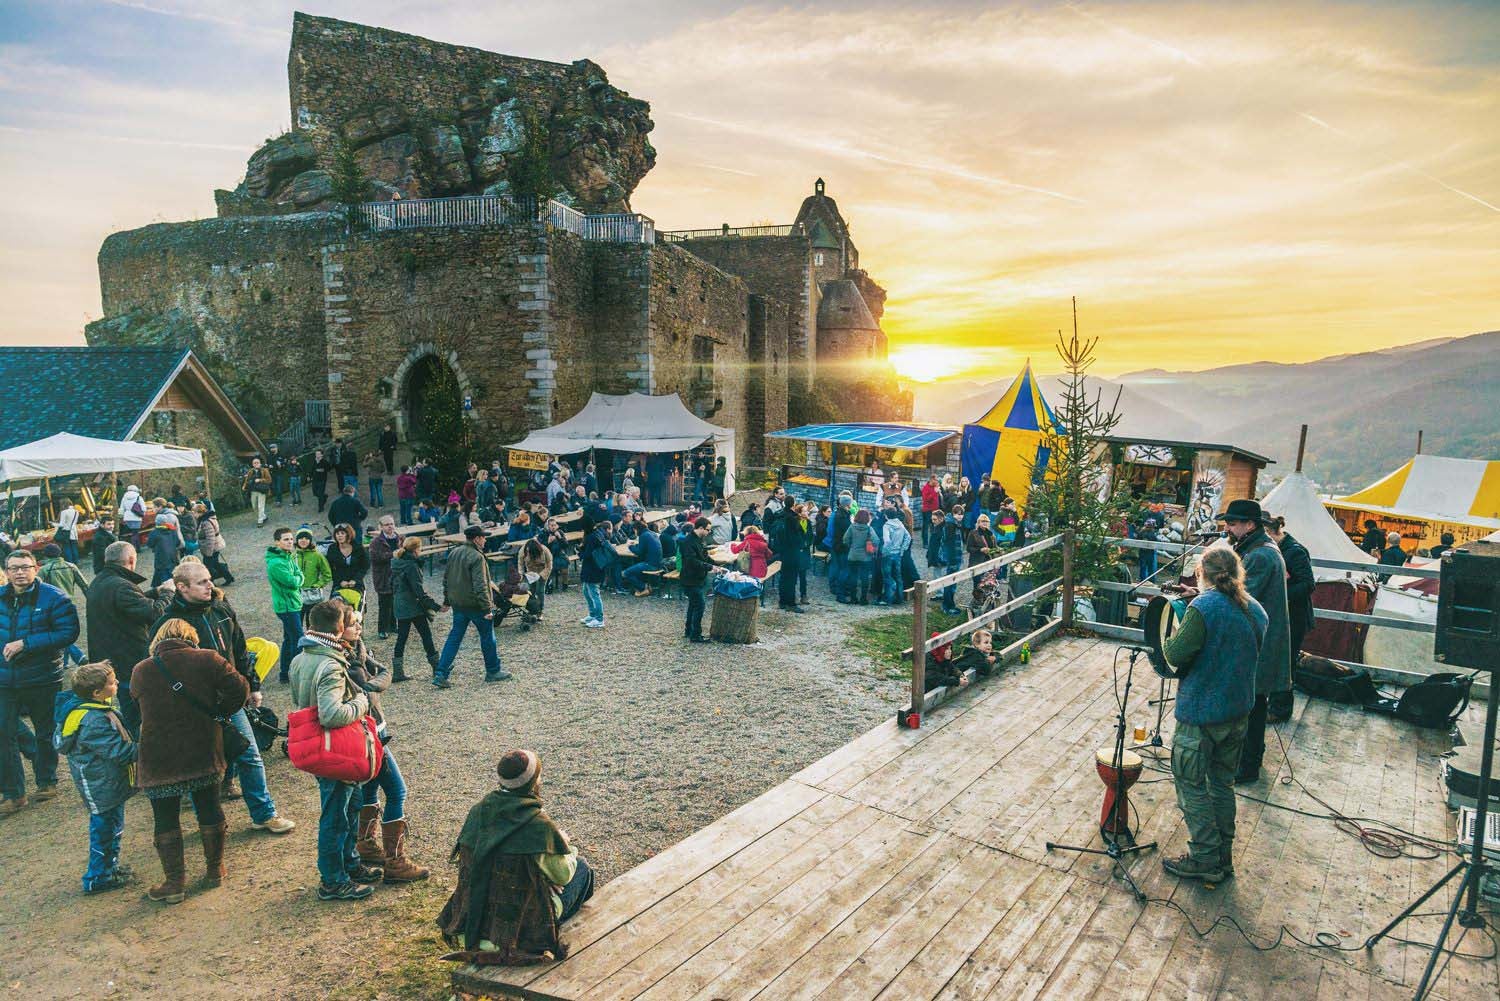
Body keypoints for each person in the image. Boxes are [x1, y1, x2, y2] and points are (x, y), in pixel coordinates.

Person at [155, 559, 295, 834]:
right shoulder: (168, 624)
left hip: (230, 700)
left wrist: (252, 685)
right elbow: (159, 665)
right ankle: (208, 825)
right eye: (202, 582)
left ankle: (264, 814)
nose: (210, 585)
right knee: (203, 766)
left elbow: (240, 650)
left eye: (209, 579)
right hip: (195, 707)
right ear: (182, 587)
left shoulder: (221, 609)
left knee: (249, 754)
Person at [1159, 546, 1267, 884]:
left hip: (1201, 714)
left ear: (1201, 573)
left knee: (1191, 784)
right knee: (1221, 784)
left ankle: (1204, 857)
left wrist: (1171, 633)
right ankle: (1223, 857)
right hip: (1237, 712)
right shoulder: (1256, 609)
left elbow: (1176, 654)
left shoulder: (1203, 607)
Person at [130, 618, 250, 903]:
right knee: (209, 806)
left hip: (158, 755)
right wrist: (219, 711)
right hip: (203, 746)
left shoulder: (141, 670)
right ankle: (214, 870)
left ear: (157, 641)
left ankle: (174, 883)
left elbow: (135, 704)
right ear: (191, 638)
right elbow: (241, 689)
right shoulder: (208, 659)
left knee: (165, 817)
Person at [438, 749, 596, 962]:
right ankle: (545, 936)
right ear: (533, 782)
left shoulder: (477, 812)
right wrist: (564, 845)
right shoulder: (538, 825)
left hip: (472, 929)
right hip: (519, 934)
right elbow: (564, 875)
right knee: (582, 868)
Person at [288, 600, 379, 901]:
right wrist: (361, 703)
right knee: (337, 816)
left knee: (349, 808)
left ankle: (349, 864)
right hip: (335, 749)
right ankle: (333, 880)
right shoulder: (330, 665)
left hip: (317, 746)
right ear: (339, 628)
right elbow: (331, 714)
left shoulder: (301, 657)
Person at [340, 609, 428, 883]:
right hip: (369, 734)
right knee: (397, 790)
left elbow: (383, 674)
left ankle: (365, 842)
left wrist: (376, 681)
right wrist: (376, 682)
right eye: (353, 624)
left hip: (375, 728)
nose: (359, 628)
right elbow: (370, 686)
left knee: (370, 788)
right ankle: (395, 861)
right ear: (338, 628)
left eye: (359, 623)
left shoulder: (357, 650)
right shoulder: (347, 661)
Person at [1216, 499, 1290, 785]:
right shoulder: (1257, 548)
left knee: (1254, 705)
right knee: (1253, 703)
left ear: (1250, 525)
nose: (1228, 528)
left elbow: (1242, 597)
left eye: (1233, 523)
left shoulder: (1260, 555)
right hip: (1259, 639)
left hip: (1260, 643)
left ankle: (1248, 766)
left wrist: (1206, 595)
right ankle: (1246, 760)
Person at [0, 547, 79, 815]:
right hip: (5, 680)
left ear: (36, 568)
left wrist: (26, 643)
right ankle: (14, 793)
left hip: (42, 677)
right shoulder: (0, 597)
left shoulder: (54, 598)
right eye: (14, 568)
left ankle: (47, 781)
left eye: (25, 567)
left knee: (45, 732)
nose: (20, 573)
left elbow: (68, 632)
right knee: (3, 734)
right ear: (7, 572)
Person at [54, 661, 137, 894]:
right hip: (100, 786)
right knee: (104, 832)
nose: (117, 683)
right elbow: (118, 751)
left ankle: (109, 869)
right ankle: (97, 878)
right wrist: (147, 749)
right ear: (96, 693)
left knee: (112, 828)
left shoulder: (89, 709)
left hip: (106, 783)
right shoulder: (92, 720)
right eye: (112, 682)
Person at [85, 541, 173, 738]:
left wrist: (154, 592)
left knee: (132, 710)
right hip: (127, 660)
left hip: (111, 659)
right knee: (140, 714)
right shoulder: (121, 585)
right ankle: (143, 748)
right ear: (132, 560)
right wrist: (168, 593)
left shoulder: (101, 581)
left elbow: (123, 604)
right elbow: (154, 613)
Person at [435, 525, 509, 687]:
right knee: (488, 637)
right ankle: (493, 670)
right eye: (483, 537)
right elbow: (480, 585)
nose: (485, 540)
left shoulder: (454, 552)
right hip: (475, 605)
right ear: (476, 539)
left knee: (454, 638)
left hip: (458, 604)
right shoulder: (477, 557)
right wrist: (487, 608)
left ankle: (440, 672)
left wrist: (447, 600)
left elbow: (446, 579)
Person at [1265, 514, 1314, 722]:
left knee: (1285, 663)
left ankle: (1280, 709)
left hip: (1294, 617)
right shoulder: (1278, 549)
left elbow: (1308, 584)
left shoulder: (1295, 551)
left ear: (1270, 531)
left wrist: (1278, 591)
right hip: (1281, 615)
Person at [391, 536, 441, 682]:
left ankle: (397, 672)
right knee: (426, 635)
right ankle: (437, 668)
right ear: (416, 550)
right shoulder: (412, 566)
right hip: (413, 606)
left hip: (400, 604)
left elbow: (391, 584)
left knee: (402, 638)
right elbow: (419, 591)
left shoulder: (397, 562)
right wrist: (436, 606)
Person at [265, 528, 307, 685]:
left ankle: (285, 673)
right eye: (286, 539)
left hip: (293, 604)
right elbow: (293, 582)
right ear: (277, 542)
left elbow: (298, 574)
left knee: (289, 639)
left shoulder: (288, 557)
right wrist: (299, 578)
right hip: (287, 607)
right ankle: (296, 673)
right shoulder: (276, 563)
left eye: (291, 539)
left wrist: (298, 577)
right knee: (298, 640)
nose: (290, 542)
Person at [37, 544, 88, 666]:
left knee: (59, 633)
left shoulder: (44, 570)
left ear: (46, 555)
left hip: (53, 606)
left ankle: (78, 656)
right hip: (70, 603)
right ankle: (66, 662)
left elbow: (37, 588)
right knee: (64, 632)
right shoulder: (71, 566)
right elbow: (85, 585)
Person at [678, 517, 716, 643]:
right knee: (699, 605)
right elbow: (692, 561)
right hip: (690, 579)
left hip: (697, 578)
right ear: (700, 528)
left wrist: (716, 565)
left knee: (693, 605)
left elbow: (704, 556)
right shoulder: (688, 541)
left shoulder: (699, 540)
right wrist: (710, 567)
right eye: (707, 530)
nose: (709, 532)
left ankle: (689, 630)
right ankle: (695, 635)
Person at [369, 516, 402, 640]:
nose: (390, 526)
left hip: (397, 575)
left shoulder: (399, 538)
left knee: (394, 602)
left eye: (392, 524)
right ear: (381, 527)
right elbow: (375, 558)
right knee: (384, 604)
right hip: (383, 576)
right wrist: (392, 555)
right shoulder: (376, 542)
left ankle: (393, 626)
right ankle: (382, 629)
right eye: (387, 524)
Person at [293, 529, 333, 620]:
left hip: (312, 595)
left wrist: (318, 585)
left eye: (306, 538)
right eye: (301, 538)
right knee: (297, 622)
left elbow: (327, 574)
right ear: (297, 540)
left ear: (310, 540)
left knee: (312, 622)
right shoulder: (293, 556)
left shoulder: (317, 556)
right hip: (297, 595)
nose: (303, 540)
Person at [578, 519, 611, 629]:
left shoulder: (591, 537)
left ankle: (599, 619)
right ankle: (592, 614)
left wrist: (579, 552)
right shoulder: (597, 534)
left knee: (594, 593)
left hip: (592, 569)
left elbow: (587, 554)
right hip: (595, 567)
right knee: (586, 591)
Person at [327, 523, 370, 601]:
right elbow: (329, 568)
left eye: (342, 533)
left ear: (348, 534)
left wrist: (356, 579)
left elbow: (365, 566)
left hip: (356, 582)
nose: (339, 536)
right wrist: (339, 581)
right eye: (337, 534)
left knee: (358, 604)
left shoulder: (359, 548)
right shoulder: (332, 549)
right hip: (339, 583)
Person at [842, 510, 877, 605]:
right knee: (864, 577)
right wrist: (870, 546)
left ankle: (853, 598)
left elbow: (845, 539)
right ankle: (863, 599)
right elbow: (876, 540)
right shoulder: (869, 529)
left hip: (853, 555)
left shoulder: (852, 527)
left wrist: (851, 546)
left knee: (853, 577)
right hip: (865, 557)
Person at [194, 502, 233, 585]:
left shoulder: (206, 522)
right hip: (213, 547)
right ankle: (227, 577)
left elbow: (210, 538)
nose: (193, 515)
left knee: (209, 566)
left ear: (199, 512)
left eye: (194, 512)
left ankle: (212, 582)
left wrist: (209, 552)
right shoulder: (204, 520)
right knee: (215, 564)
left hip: (212, 548)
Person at [622, 520, 665, 595]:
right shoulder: (652, 533)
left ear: (636, 529)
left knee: (625, 573)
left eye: (634, 530)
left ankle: (643, 587)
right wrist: (635, 546)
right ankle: (642, 586)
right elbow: (644, 548)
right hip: (659, 564)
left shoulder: (643, 536)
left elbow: (639, 553)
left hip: (650, 565)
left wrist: (630, 546)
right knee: (635, 567)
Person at [879, 507, 911, 605]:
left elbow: (887, 541)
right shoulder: (900, 524)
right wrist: (902, 549)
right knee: (898, 576)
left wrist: (885, 551)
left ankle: (888, 599)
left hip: (888, 554)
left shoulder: (886, 526)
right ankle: (899, 598)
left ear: (886, 516)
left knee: (887, 576)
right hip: (898, 554)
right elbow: (908, 537)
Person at [143, 511, 181, 589]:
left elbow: (150, 544)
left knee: (163, 575)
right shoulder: (172, 530)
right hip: (172, 557)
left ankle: (166, 589)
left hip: (161, 557)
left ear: (156, 522)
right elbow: (178, 542)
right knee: (167, 572)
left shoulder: (155, 532)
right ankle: (155, 586)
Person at [242, 459, 271, 527]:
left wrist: (260, 480)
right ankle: (264, 517)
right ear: (253, 464)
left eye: (257, 463)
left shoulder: (264, 470)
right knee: (254, 506)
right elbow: (247, 480)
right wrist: (244, 486)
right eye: (254, 463)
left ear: (260, 463)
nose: (256, 464)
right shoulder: (250, 471)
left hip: (261, 490)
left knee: (260, 506)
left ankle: (260, 521)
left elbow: (269, 480)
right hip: (253, 490)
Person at [54, 497, 81, 564]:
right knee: (74, 548)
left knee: (67, 548)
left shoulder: (64, 512)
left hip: (66, 532)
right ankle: (76, 561)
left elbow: (62, 524)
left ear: (63, 504)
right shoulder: (76, 511)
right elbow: (74, 522)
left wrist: (53, 524)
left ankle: (70, 563)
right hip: (73, 532)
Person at [310, 448, 334, 514]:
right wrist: (309, 476)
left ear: (322, 455)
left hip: (322, 480)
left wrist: (322, 469)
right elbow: (312, 469)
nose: (317, 455)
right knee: (315, 493)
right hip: (314, 480)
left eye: (318, 454)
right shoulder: (314, 461)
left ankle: (321, 507)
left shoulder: (324, 462)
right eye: (316, 454)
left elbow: (329, 468)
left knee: (320, 494)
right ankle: (324, 496)